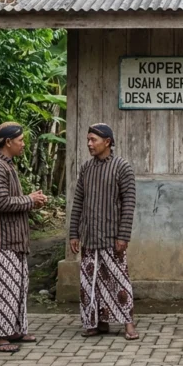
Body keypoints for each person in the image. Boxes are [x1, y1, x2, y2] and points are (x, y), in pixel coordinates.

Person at [0, 122, 47, 353]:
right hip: (1, 241)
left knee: (16, 288)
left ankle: (13, 331)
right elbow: (0, 202)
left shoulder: (7, 165)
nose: (23, 145)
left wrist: (31, 200)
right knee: (1, 289)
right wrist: (30, 200)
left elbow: (10, 200)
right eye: (21, 141)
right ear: (8, 142)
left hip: (13, 241)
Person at [68, 123, 139, 340]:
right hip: (89, 238)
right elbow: (78, 201)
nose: (89, 144)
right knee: (89, 284)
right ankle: (95, 324)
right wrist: (74, 233)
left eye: (93, 140)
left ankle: (129, 325)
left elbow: (129, 203)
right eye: (88, 140)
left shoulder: (122, 167)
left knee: (119, 280)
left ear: (107, 142)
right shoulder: (86, 169)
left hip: (112, 237)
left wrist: (123, 235)